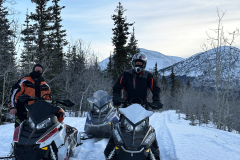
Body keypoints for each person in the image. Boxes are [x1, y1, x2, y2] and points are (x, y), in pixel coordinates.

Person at [104, 53, 162, 160]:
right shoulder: (126, 74)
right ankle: (111, 151)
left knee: (146, 129)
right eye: (137, 63)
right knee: (119, 128)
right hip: (126, 107)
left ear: (144, 64)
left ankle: (153, 152)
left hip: (143, 107)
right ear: (133, 63)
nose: (138, 65)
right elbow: (117, 87)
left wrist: (156, 100)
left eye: (141, 63)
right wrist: (116, 98)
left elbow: (155, 88)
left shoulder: (148, 76)